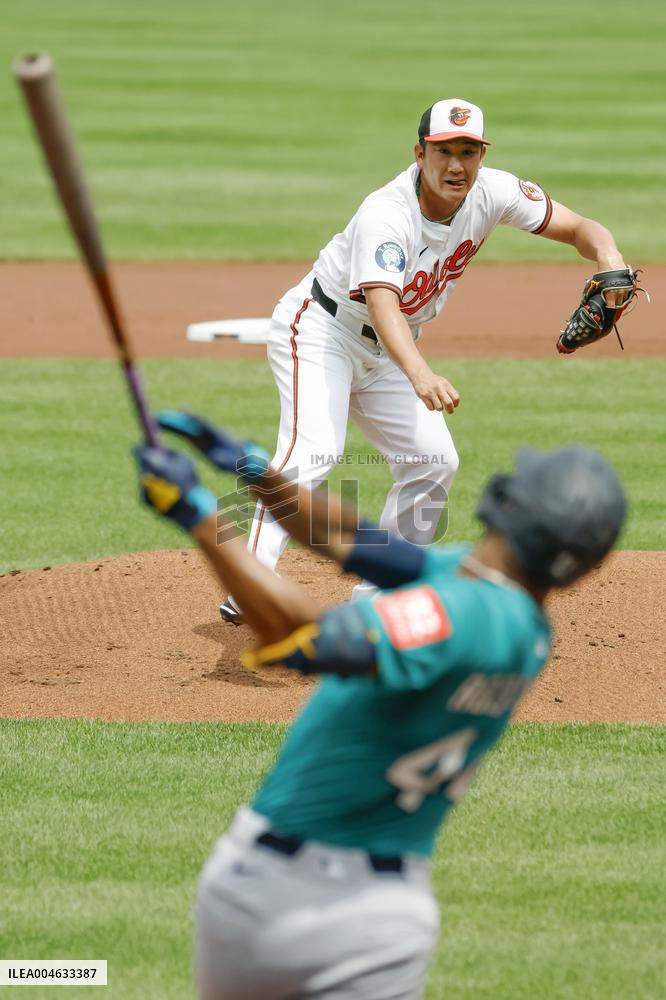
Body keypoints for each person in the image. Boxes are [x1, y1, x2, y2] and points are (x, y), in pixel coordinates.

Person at [134, 410, 627, 1000]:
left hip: (271, 896)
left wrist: (197, 515)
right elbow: (353, 541)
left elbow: (293, 632)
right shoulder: (512, 615)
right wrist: (254, 470)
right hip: (389, 919)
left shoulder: (463, 614)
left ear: (511, 507)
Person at [219, 97, 630, 624]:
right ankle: (248, 579)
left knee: (434, 461)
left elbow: (578, 227)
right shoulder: (386, 213)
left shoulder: (495, 191)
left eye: (468, 151)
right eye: (443, 151)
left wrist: (608, 253)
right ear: (420, 153)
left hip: (389, 344)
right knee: (314, 448)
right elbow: (382, 301)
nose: (456, 165)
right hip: (322, 329)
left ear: (482, 154)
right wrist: (420, 373)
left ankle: (381, 597)